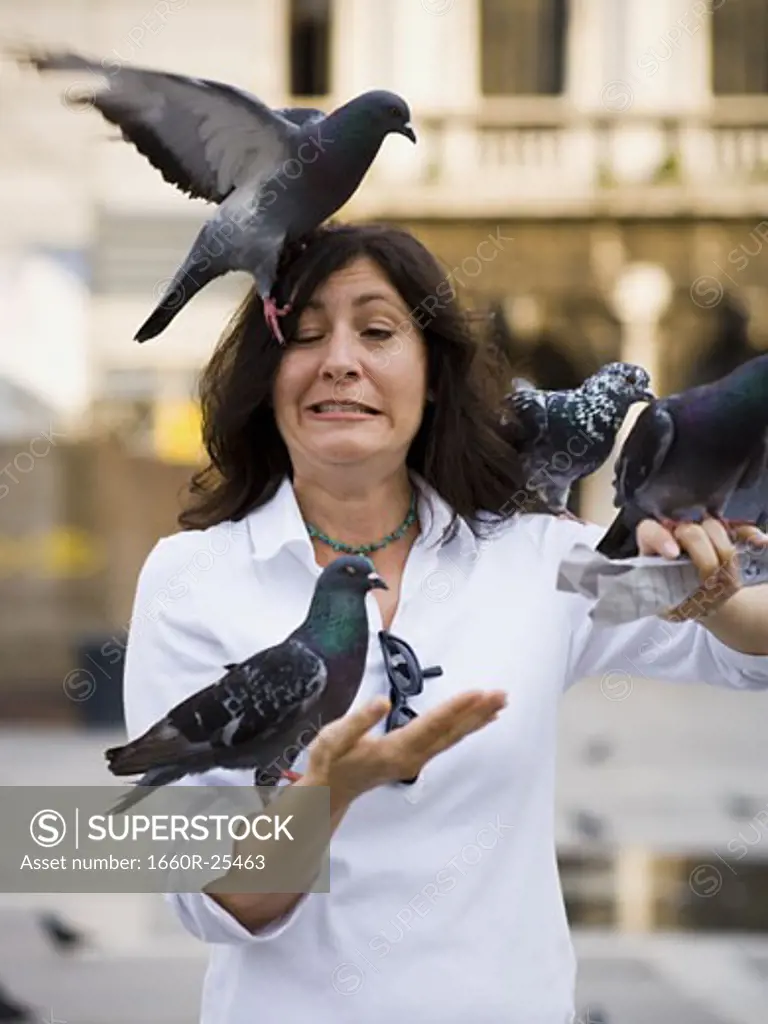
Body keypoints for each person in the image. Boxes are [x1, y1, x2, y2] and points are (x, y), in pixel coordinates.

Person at [122, 223, 768, 1024]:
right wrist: (327, 796)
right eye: (307, 334)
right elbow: (207, 893)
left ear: (431, 376)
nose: (341, 361)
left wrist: (724, 597)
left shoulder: (539, 564)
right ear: (266, 376)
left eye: (379, 330)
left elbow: (735, 642)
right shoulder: (191, 581)